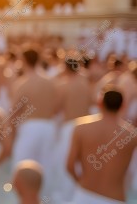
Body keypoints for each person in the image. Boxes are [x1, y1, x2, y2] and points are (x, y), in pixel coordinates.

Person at [67, 89, 136, 203]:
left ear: (100, 103)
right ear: (123, 106)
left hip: (84, 194)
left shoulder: (81, 128)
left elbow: (69, 165)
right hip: (115, 198)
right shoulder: (131, 136)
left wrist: (80, 183)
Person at [10, 48, 57, 198]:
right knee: (46, 168)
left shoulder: (23, 83)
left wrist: (11, 135)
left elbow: (14, 112)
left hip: (30, 127)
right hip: (49, 127)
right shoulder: (50, 82)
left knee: (21, 166)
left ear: (23, 61)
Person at [52, 58, 94, 201]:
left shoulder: (64, 85)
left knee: (66, 163)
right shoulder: (86, 85)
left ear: (66, 68)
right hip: (87, 126)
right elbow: (91, 104)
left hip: (70, 127)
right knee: (81, 162)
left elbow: (56, 108)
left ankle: (66, 197)